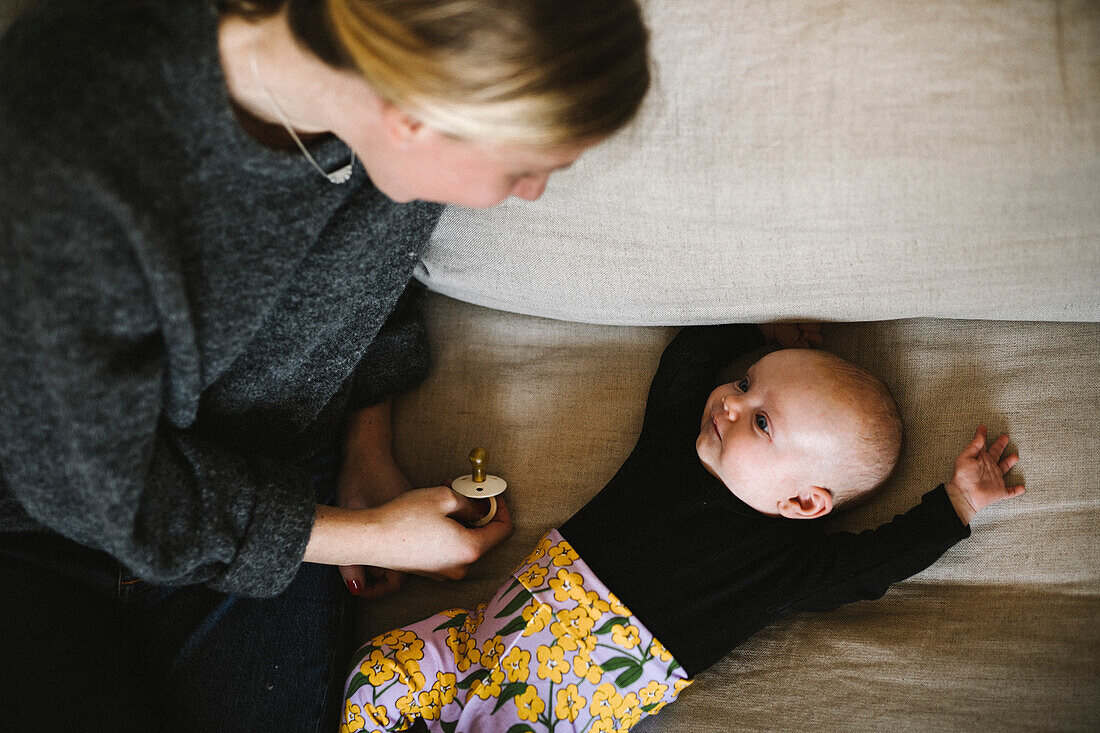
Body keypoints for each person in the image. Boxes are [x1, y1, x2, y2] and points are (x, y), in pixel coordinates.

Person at [0, 0, 650, 730]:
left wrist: (365, 446)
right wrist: (367, 535)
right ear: (417, 121)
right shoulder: (75, 139)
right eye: (529, 167)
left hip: (265, 478)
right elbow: (88, 491)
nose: (531, 193)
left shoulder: (384, 103)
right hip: (41, 532)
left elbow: (360, 279)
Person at [341, 323, 1025, 732]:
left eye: (762, 420)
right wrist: (764, 336)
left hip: (549, 720)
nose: (730, 402)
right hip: (464, 651)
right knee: (375, 673)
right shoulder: (675, 446)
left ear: (806, 502)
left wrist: (956, 505)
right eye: (747, 383)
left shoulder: (783, 566)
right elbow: (686, 363)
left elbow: (875, 564)